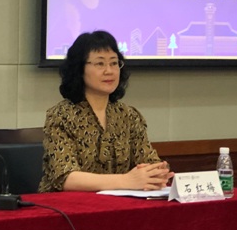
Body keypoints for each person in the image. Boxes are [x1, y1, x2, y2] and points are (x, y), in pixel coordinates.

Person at [38, 30, 173, 192]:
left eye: (114, 63)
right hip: (67, 204)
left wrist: (156, 172)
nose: (109, 71)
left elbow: (148, 161)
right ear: (79, 69)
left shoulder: (128, 115)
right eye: (100, 64)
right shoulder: (61, 116)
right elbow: (66, 178)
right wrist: (126, 180)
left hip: (119, 202)